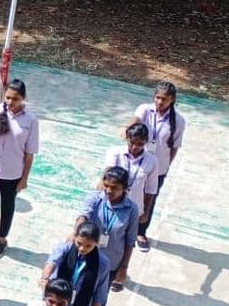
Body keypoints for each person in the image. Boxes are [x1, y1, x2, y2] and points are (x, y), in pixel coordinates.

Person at [0, 79, 39, 260]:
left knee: (7, 206)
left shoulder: (31, 120)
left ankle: (2, 240)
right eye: (8, 97)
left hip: (12, 172)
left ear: (24, 98)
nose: (10, 102)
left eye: (16, 99)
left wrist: (24, 179)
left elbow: (29, 153)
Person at [129, 81, 185, 250]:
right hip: (137, 160)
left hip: (158, 167)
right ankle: (123, 227)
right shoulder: (145, 109)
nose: (160, 102)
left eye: (165, 99)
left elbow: (174, 147)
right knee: (130, 191)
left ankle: (141, 231)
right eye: (158, 97)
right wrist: (127, 127)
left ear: (172, 100)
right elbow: (135, 120)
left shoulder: (178, 121)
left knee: (149, 198)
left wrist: (166, 167)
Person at [41, 221, 109, 306]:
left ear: (96, 243)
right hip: (56, 300)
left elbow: (100, 293)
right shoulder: (64, 248)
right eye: (79, 243)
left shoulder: (103, 263)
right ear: (75, 237)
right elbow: (52, 261)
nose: (82, 248)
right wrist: (45, 278)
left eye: (88, 246)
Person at [77, 166, 137, 293]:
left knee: (99, 298)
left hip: (111, 263)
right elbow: (83, 215)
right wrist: (77, 230)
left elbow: (130, 241)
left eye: (114, 188)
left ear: (125, 188)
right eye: (106, 185)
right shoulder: (95, 198)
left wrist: (124, 267)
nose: (109, 190)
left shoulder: (131, 209)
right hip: (86, 257)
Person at [103, 122, 158, 247]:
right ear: (127, 138)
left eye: (140, 144)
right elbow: (106, 175)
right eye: (131, 142)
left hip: (133, 207)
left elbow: (151, 189)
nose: (134, 147)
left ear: (146, 142)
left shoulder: (152, 161)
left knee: (125, 241)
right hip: (112, 203)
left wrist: (145, 212)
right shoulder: (115, 153)